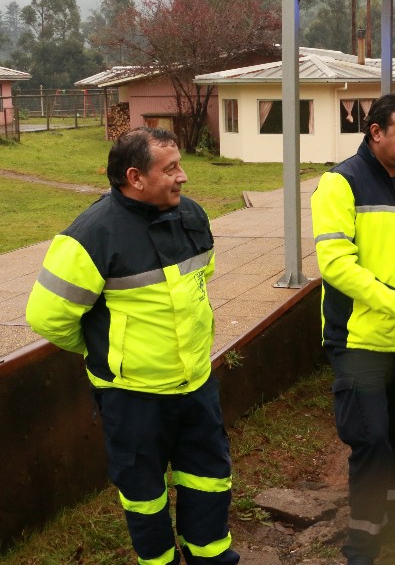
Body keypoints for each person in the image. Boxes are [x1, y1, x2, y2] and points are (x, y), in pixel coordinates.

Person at [25, 127, 238, 565]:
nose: (183, 177)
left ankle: (212, 558)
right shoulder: (90, 235)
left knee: (209, 481)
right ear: (135, 177)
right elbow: (47, 318)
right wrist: (107, 351)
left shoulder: (192, 215)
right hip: (133, 397)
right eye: (171, 168)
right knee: (145, 496)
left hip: (196, 386)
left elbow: (202, 278)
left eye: (180, 165)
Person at [311, 93, 395, 565]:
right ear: (375, 132)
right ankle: (361, 546)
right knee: (370, 442)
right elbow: (337, 267)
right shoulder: (340, 184)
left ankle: (391, 518)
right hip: (358, 342)